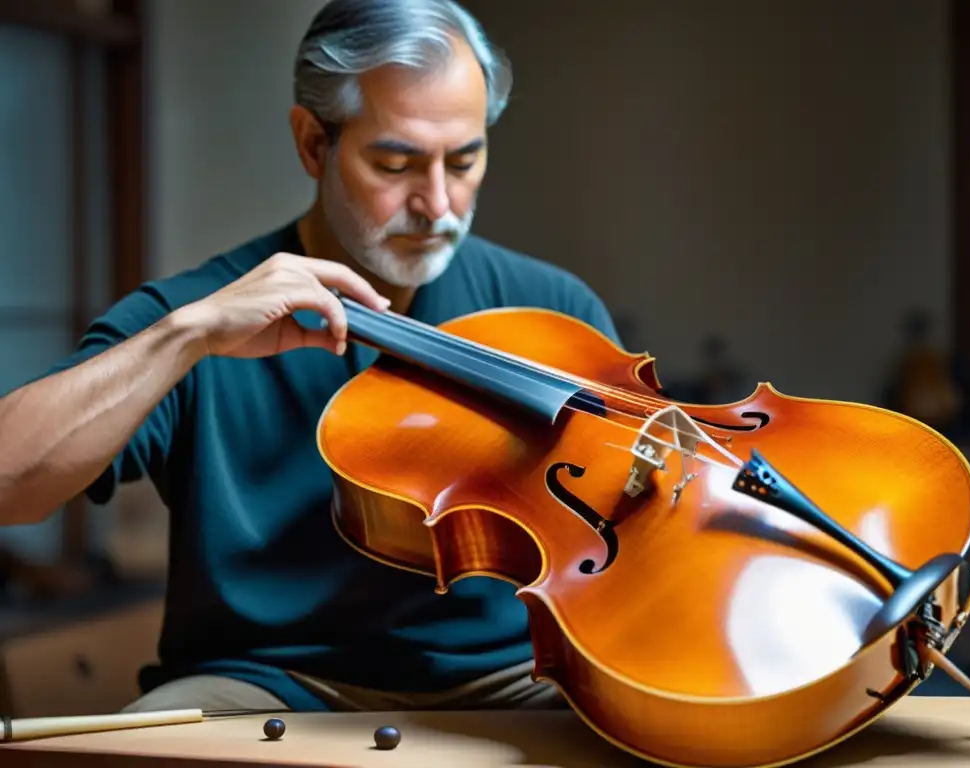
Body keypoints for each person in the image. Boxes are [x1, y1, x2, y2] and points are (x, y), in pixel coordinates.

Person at [0, 0, 619, 713]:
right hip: (263, 680)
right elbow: (13, 482)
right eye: (396, 162)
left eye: (466, 159)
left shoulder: (552, 309)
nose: (438, 202)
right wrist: (185, 337)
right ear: (312, 144)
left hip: (513, 678)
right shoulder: (196, 310)